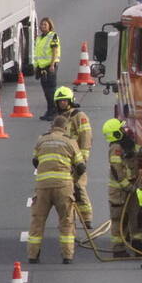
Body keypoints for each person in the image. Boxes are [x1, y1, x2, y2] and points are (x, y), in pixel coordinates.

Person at [27, 115, 85, 264]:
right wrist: (74, 180)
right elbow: (81, 166)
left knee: (37, 221)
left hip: (43, 187)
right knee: (66, 222)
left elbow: (35, 161)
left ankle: (33, 255)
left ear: (52, 126)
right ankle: (67, 256)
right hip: (63, 187)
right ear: (65, 127)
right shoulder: (70, 141)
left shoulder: (41, 139)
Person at [102, 118, 142, 257]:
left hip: (131, 188)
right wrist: (127, 186)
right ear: (116, 133)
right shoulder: (115, 148)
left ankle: (138, 244)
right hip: (119, 192)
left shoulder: (128, 144)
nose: (124, 131)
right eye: (121, 129)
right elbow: (117, 170)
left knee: (135, 216)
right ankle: (118, 249)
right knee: (119, 220)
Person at [53, 86, 93, 226]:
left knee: (78, 187)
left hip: (77, 160)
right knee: (65, 191)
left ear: (70, 101)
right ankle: (69, 219)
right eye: (60, 101)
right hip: (64, 160)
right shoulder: (59, 119)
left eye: (65, 100)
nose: (62, 103)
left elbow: (86, 136)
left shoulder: (79, 116)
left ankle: (87, 218)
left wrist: (83, 159)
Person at [34, 18, 61, 121]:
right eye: (42, 24)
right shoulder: (39, 38)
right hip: (42, 67)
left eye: (45, 24)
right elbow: (38, 52)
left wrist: (52, 65)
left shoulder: (52, 36)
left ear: (50, 26)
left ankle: (54, 111)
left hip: (50, 66)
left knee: (51, 90)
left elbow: (54, 51)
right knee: (46, 91)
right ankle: (49, 110)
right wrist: (36, 67)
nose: (43, 26)